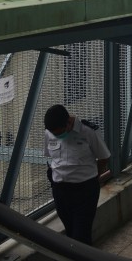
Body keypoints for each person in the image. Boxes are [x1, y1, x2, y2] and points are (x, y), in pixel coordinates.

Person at [43, 104, 110, 245]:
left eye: (59, 133)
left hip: (84, 191)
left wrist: (92, 177)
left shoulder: (88, 132)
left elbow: (104, 157)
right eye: (54, 134)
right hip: (60, 190)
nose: (57, 136)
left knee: (81, 237)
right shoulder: (49, 133)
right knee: (70, 232)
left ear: (68, 123)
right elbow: (52, 157)